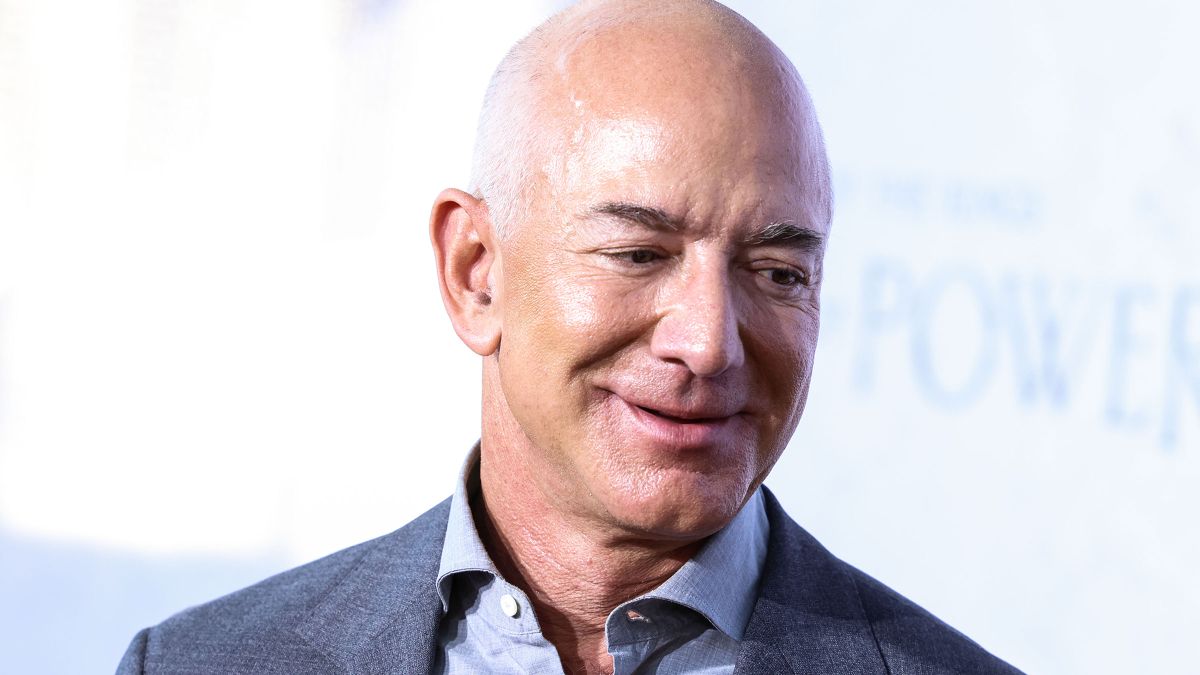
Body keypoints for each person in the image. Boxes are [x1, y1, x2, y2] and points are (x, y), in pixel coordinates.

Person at [117, 1, 1022, 673]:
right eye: (638, 253)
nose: (709, 341)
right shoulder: (199, 665)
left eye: (778, 272)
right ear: (476, 271)